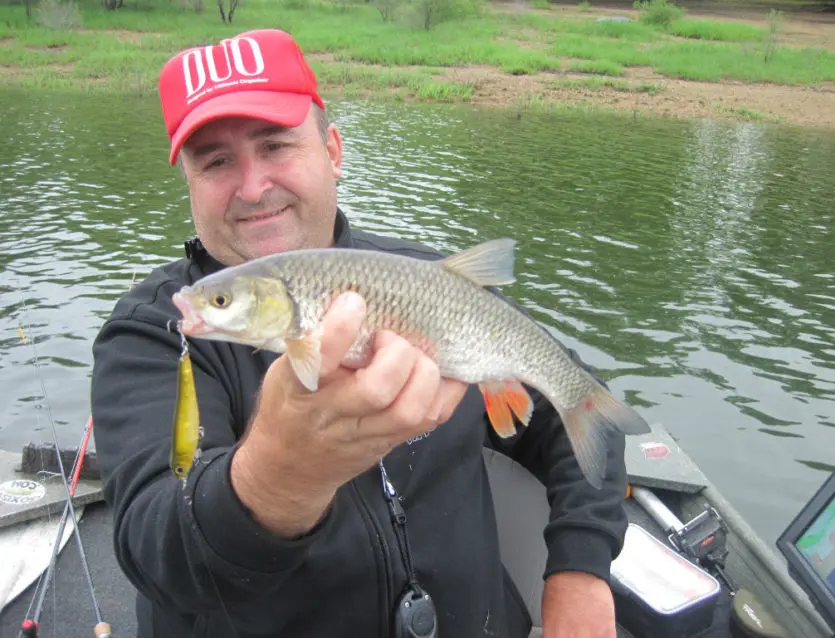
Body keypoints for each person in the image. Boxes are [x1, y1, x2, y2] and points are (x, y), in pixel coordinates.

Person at [90, 28, 631, 638]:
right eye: (215, 161)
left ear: (334, 151)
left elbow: (579, 405)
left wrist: (581, 575)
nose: (253, 186)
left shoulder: (426, 278)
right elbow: (152, 545)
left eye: (275, 145)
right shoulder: (156, 332)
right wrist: (279, 477)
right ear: (189, 182)